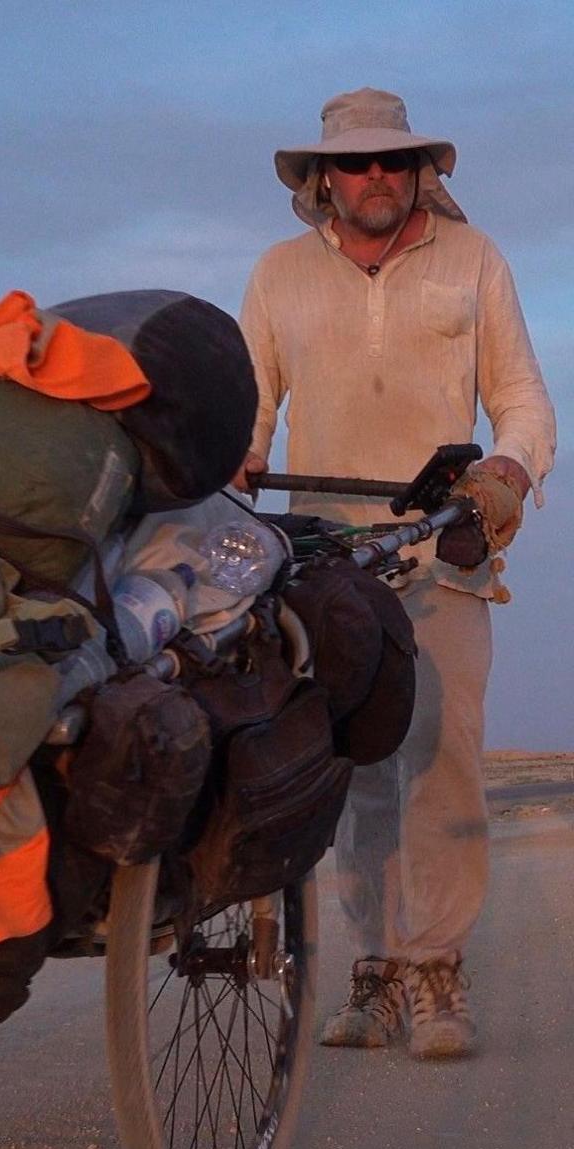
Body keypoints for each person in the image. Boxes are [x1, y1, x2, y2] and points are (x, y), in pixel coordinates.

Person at [236, 88, 556, 1058]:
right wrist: (226, 463)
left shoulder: (472, 259)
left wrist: (506, 470)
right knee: (356, 765)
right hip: (329, 561)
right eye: (353, 164)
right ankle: (372, 969)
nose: (372, 177)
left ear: (420, 170)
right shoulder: (278, 274)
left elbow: (521, 399)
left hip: (443, 551)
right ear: (319, 178)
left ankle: (434, 968)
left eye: (391, 161)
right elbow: (248, 409)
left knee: (445, 760)